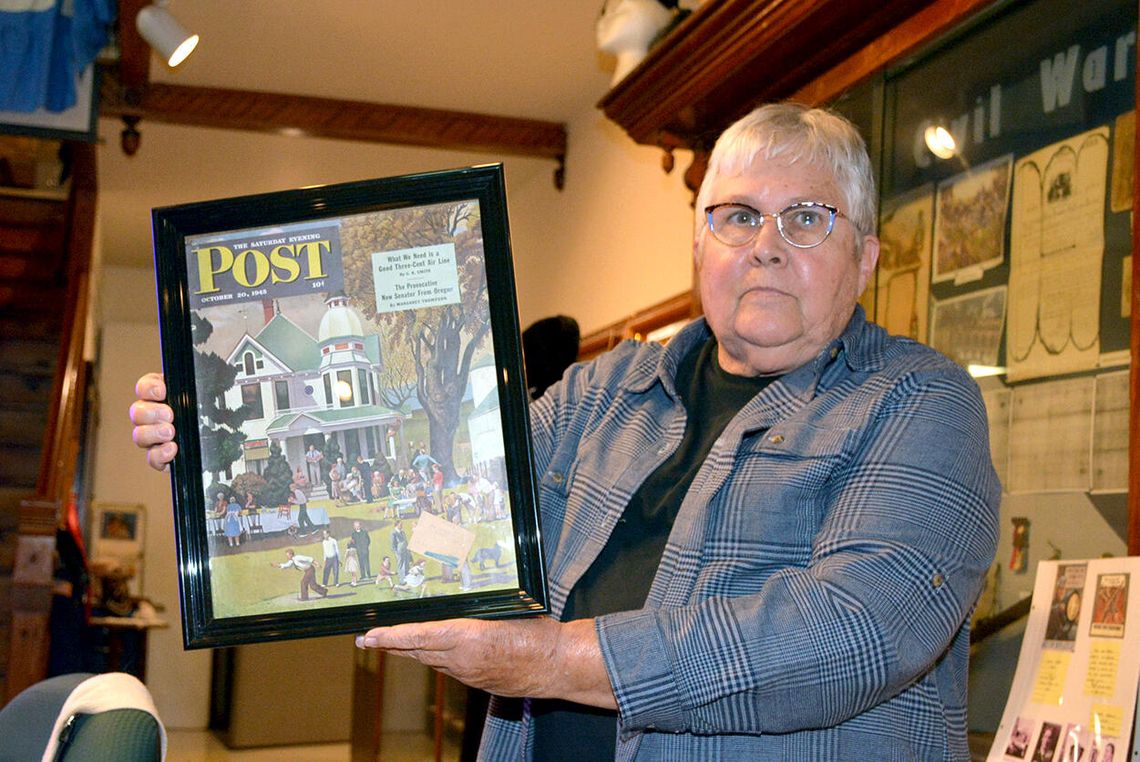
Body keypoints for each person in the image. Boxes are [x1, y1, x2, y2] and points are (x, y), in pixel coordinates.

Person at [129, 102, 1000, 759]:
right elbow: (455, 491)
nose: (765, 244)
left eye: (807, 217)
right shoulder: (604, 390)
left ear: (865, 257)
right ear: (701, 247)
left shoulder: (919, 403)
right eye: (737, 215)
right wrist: (223, 440)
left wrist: (551, 661)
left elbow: (855, 633)